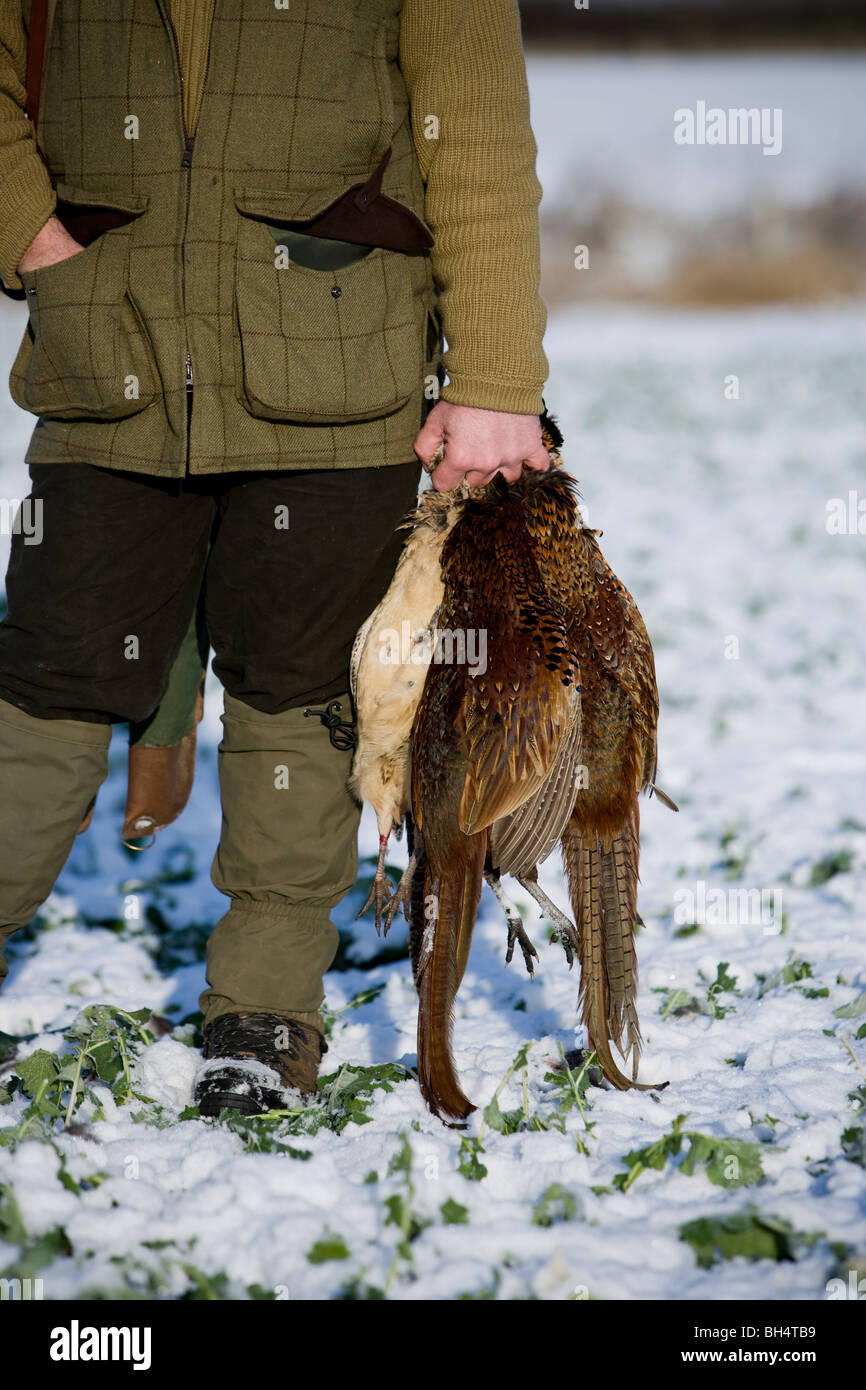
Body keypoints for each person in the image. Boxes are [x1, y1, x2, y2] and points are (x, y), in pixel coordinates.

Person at [0, 0, 550, 1114]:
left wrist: (495, 377)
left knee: (303, 687)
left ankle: (264, 1013)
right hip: (105, 352)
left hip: (343, 367)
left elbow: (475, 133)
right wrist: (22, 221)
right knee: (46, 675)